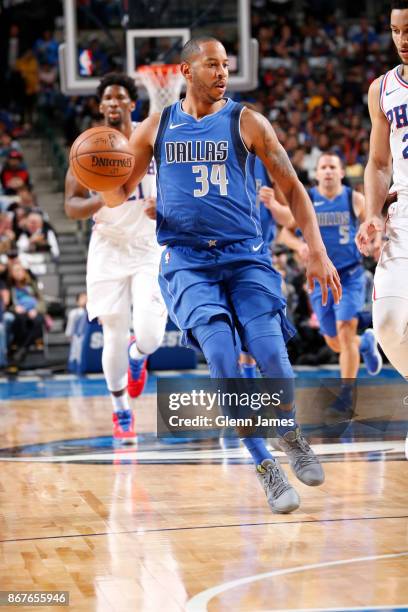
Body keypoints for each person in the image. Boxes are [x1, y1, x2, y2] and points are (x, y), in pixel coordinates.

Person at [101, 37, 342, 514]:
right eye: (212, 65)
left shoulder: (247, 121)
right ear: (186, 72)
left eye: (225, 65)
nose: (222, 73)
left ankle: (290, 432)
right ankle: (264, 466)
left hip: (245, 256)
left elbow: (291, 185)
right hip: (187, 261)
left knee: (273, 355)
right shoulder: (155, 127)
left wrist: (316, 247)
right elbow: (117, 194)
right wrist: (101, 175)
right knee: (224, 359)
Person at [65, 73, 167, 442]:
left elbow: (177, 182)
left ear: (131, 103)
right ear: (100, 105)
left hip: (147, 244)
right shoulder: (88, 146)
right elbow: (71, 205)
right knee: (112, 332)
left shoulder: (151, 138)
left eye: (119, 96)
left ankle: (139, 354)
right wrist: (108, 195)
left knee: (151, 336)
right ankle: (121, 410)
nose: (112, 102)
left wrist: (167, 204)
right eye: (106, 97)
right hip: (107, 245)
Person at [280, 152, 383, 413]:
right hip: (320, 278)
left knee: (345, 329)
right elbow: (286, 232)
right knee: (334, 341)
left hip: (349, 274)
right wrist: (299, 245)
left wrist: (372, 240)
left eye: (332, 167)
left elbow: (372, 224)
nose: (327, 171)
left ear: (340, 172)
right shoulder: (309, 200)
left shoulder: (353, 198)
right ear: (317, 174)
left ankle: (346, 396)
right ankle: (366, 344)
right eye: (323, 167)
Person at [356, 0, 408, 459]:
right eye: (395, 31)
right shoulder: (382, 88)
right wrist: (373, 215)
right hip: (404, 211)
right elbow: (376, 163)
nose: (403, 40)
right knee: (388, 323)